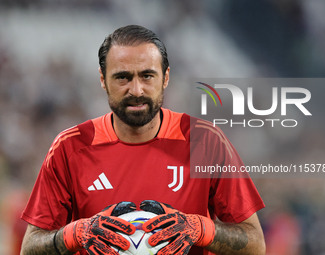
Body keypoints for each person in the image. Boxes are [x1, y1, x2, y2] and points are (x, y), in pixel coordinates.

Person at [20, 25, 266, 255]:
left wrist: (200, 229)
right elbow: (29, 247)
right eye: (122, 77)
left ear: (165, 78)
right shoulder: (70, 148)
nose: (136, 90)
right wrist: (74, 234)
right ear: (103, 79)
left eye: (147, 76)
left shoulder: (205, 141)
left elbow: (255, 244)